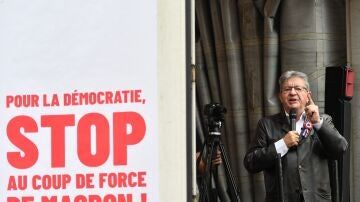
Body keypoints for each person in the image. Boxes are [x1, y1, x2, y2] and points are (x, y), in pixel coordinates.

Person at [243, 70, 348, 202]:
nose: (293, 92)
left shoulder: (323, 120)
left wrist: (317, 122)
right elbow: (250, 163)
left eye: (298, 88)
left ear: (308, 95)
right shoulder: (267, 124)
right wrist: (282, 145)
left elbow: (340, 149)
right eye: (287, 89)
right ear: (281, 96)